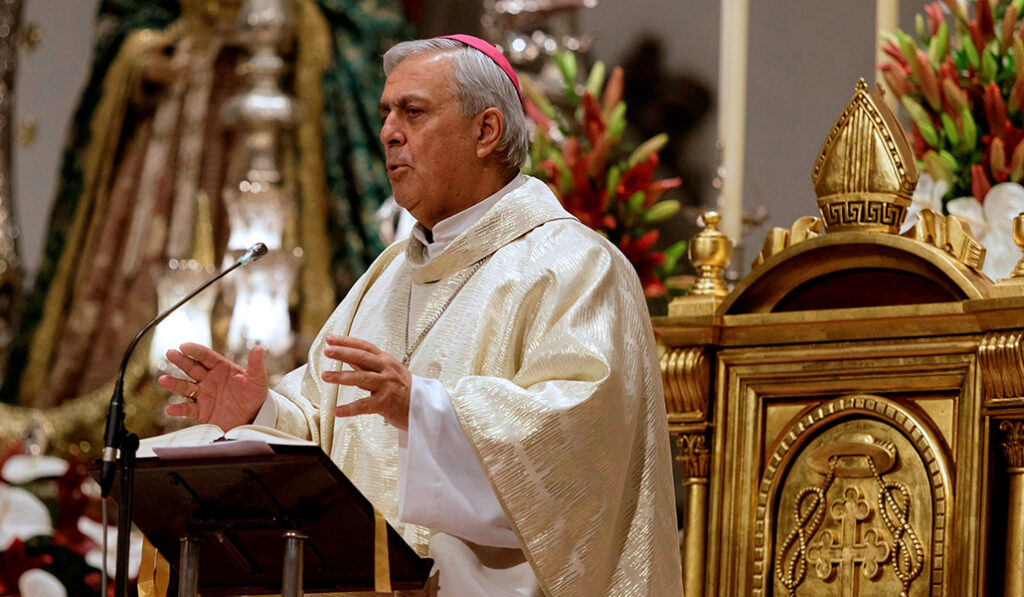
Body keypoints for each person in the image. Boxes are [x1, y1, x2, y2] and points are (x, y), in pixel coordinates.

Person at [159, 35, 683, 596]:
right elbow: (326, 434)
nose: (388, 131)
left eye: (413, 112)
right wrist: (260, 412)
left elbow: (578, 445)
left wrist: (426, 410)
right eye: (386, 113)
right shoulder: (385, 280)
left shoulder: (574, 266)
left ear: (486, 132)